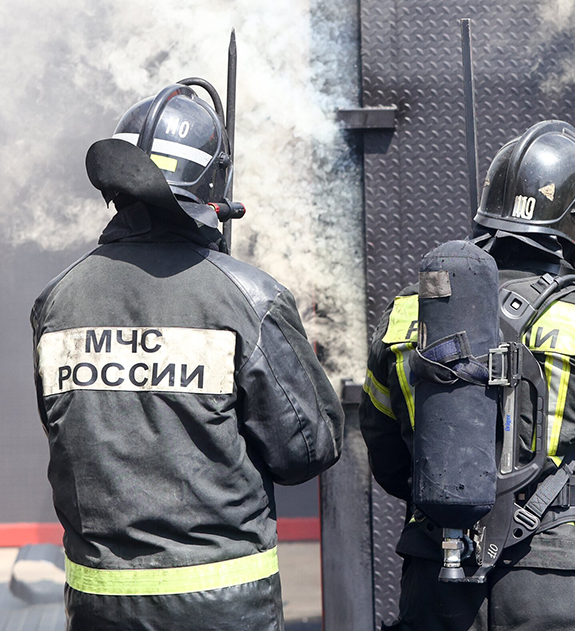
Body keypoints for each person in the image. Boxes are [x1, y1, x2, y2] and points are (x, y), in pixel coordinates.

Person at [30, 82, 344, 631]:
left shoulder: (56, 301)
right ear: (212, 187)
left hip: (98, 607)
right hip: (224, 606)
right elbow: (307, 451)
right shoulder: (251, 298)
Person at [361, 120, 575, 630]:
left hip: (436, 581)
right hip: (562, 590)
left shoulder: (406, 316)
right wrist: (560, 520)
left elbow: (389, 461)